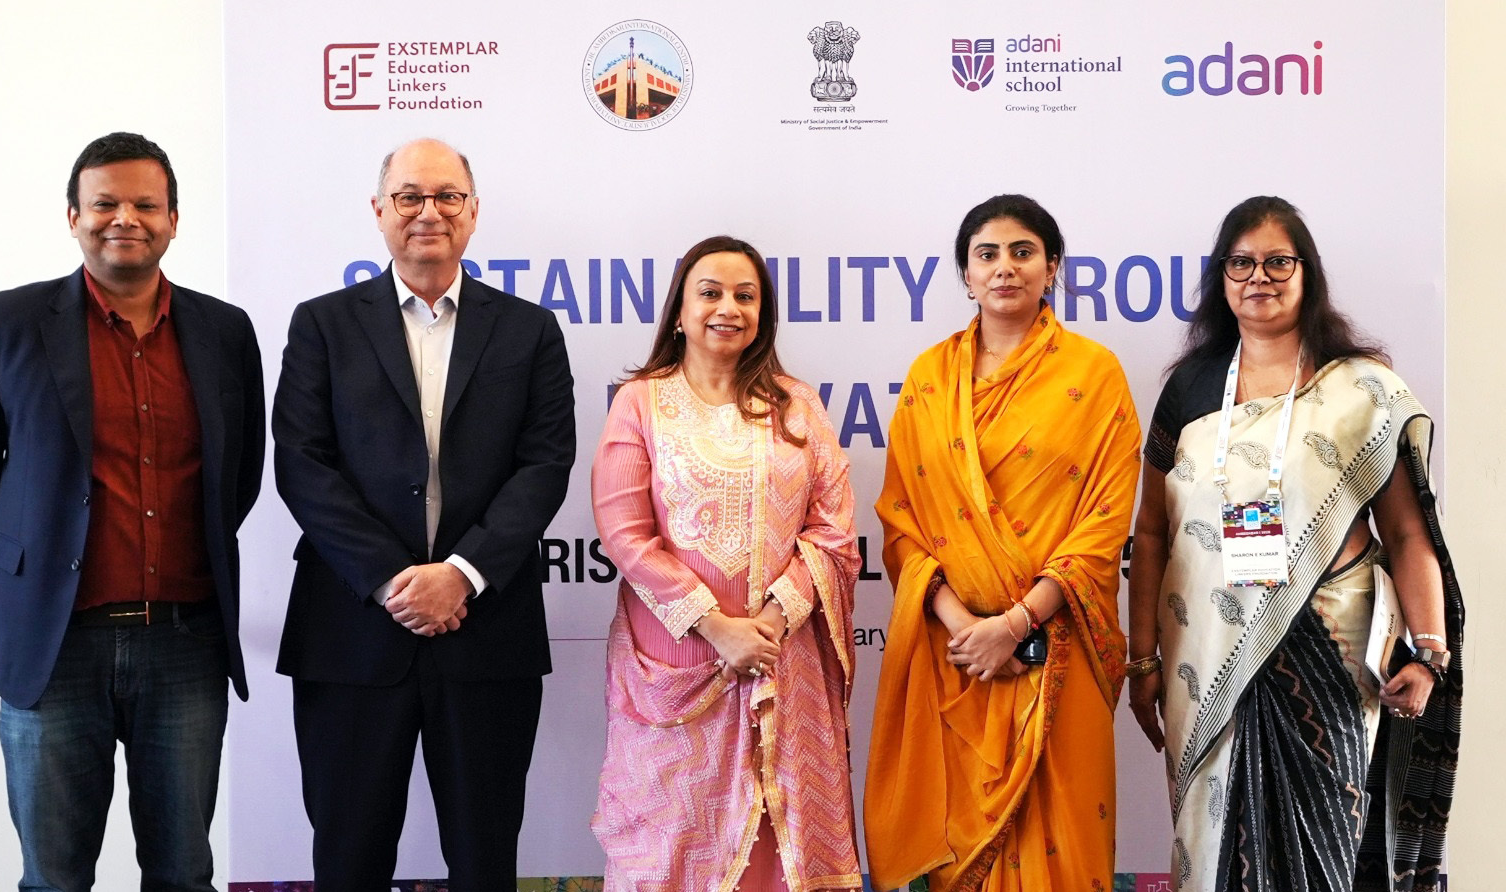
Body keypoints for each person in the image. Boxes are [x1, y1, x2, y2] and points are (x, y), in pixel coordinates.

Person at [0, 131, 266, 891]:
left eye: (145, 204)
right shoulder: (9, 322)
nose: (125, 217)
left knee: (184, 872)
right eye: (105, 203)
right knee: (54, 878)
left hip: (184, 642)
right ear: (73, 215)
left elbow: (240, 474)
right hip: (55, 647)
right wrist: (36, 560)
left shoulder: (225, 332)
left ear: (174, 220)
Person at [1126, 196, 1464, 891]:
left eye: (1279, 261)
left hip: (1332, 656)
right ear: (1222, 278)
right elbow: (1151, 533)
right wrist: (1141, 660)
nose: (1260, 276)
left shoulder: (1362, 388)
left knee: (1328, 850)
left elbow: (1406, 530)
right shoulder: (1189, 389)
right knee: (1215, 848)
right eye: (1242, 262)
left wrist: (1429, 651)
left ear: (1307, 273)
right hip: (1206, 661)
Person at [273, 138, 576, 891]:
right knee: (348, 857)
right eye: (409, 197)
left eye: (446, 197)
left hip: (486, 633)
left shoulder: (530, 331)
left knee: (484, 859)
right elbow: (302, 466)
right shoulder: (322, 325)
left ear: (473, 213)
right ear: (380, 213)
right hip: (350, 632)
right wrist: (394, 580)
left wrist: (463, 575)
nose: (428, 213)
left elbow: (545, 467)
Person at [864, 195, 1140, 891]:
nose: (1005, 267)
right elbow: (902, 522)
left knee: (1067, 847)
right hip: (956, 657)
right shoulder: (930, 378)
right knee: (960, 849)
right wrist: (967, 628)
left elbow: (1106, 522)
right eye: (987, 254)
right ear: (965, 274)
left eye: (1023, 252)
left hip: (1059, 648)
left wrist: (1017, 623)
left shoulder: (1094, 374)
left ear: (1052, 268)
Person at [590, 236, 862, 890]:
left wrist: (769, 622)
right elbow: (626, 534)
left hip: (781, 665)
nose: (728, 307)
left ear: (763, 315)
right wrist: (717, 627)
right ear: (679, 312)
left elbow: (834, 528)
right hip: (677, 668)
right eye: (709, 292)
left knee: (783, 849)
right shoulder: (642, 403)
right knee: (672, 848)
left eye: (746, 295)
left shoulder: (797, 405)